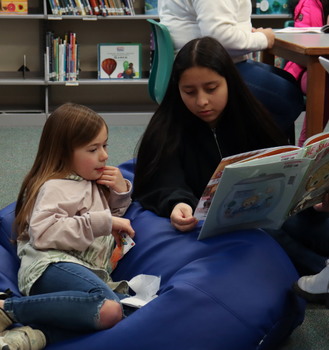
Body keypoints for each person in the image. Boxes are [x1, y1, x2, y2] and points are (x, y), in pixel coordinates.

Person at [132, 36, 329, 277]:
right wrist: (178, 204)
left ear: (229, 82)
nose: (202, 101)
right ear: (177, 89)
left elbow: (283, 170)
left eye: (212, 88)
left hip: (268, 209)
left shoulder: (251, 116)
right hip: (215, 225)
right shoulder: (167, 128)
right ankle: (321, 276)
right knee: (264, 235)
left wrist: (312, 202)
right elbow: (164, 180)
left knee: (316, 226)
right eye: (189, 91)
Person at [0, 103, 135, 350]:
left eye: (105, 146)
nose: (104, 156)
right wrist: (105, 222)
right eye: (93, 149)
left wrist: (119, 190)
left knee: (129, 312)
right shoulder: (55, 187)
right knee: (109, 306)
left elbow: (108, 222)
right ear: (63, 153)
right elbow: (43, 233)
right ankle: (0, 308)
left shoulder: (90, 183)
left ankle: (35, 337)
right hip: (51, 265)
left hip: (86, 272)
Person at [158, 0, 304, 140]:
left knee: (288, 81)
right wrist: (262, 39)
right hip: (204, 67)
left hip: (200, 63)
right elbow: (219, 38)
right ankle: (238, 152)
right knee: (289, 100)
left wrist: (249, 34)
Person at [284, 0, 329, 146]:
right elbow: (302, 47)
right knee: (325, 82)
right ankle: (306, 147)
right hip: (307, 69)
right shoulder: (307, 4)